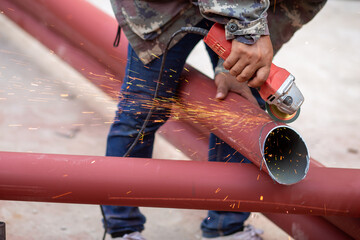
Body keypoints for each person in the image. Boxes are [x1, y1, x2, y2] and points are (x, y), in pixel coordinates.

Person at [101, 0, 327, 239]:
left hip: (245, 9)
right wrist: (248, 30)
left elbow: (292, 8)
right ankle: (122, 227)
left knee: (241, 105)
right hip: (166, 8)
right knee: (142, 108)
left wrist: (241, 60)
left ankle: (224, 227)